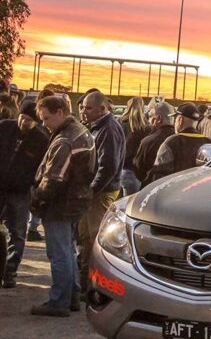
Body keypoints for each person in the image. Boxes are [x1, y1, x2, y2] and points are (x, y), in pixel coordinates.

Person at [30, 95, 95, 317]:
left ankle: (59, 301)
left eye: (47, 118)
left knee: (59, 253)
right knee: (67, 250)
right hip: (76, 200)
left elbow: (54, 179)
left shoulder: (64, 140)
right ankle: (72, 296)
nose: (44, 123)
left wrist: (37, 199)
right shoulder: (80, 131)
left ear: (59, 112)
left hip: (61, 203)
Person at [78, 90, 125, 294]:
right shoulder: (98, 127)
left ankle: (91, 285)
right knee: (86, 237)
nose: (83, 111)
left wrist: (92, 190)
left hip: (101, 192)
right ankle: (84, 280)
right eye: (82, 107)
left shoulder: (108, 129)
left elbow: (108, 166)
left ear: (102, 108)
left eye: (88, 108)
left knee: (94, 239)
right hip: (96, 190)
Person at [0, 100, 50, 288]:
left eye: (30, 120)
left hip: (20, 193)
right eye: (23, 117)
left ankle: (10, 272)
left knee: (18, 233)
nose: (24, 122)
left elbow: (41, 168)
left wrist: (31, 185)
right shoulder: (4, 128)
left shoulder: (41, 140)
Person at [149, 103, 211, 182]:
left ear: (180, 120)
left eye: (175, 119)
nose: (174, 122)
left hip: (175, 191)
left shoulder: (171, 142)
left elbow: (159, 173)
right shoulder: (208, 143)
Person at [134, 102, 176, 187]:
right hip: (176, 188)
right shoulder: (181, 139)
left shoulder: (148, 142)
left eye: (150, 116)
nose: (148, 120)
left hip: (151, 188)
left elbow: (138, 169)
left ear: (158, 119)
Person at [118, 96, 149, 195]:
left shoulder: (120, 122)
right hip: (135, 171)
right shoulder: (145, 127)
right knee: (130, 204)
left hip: (119, 169)